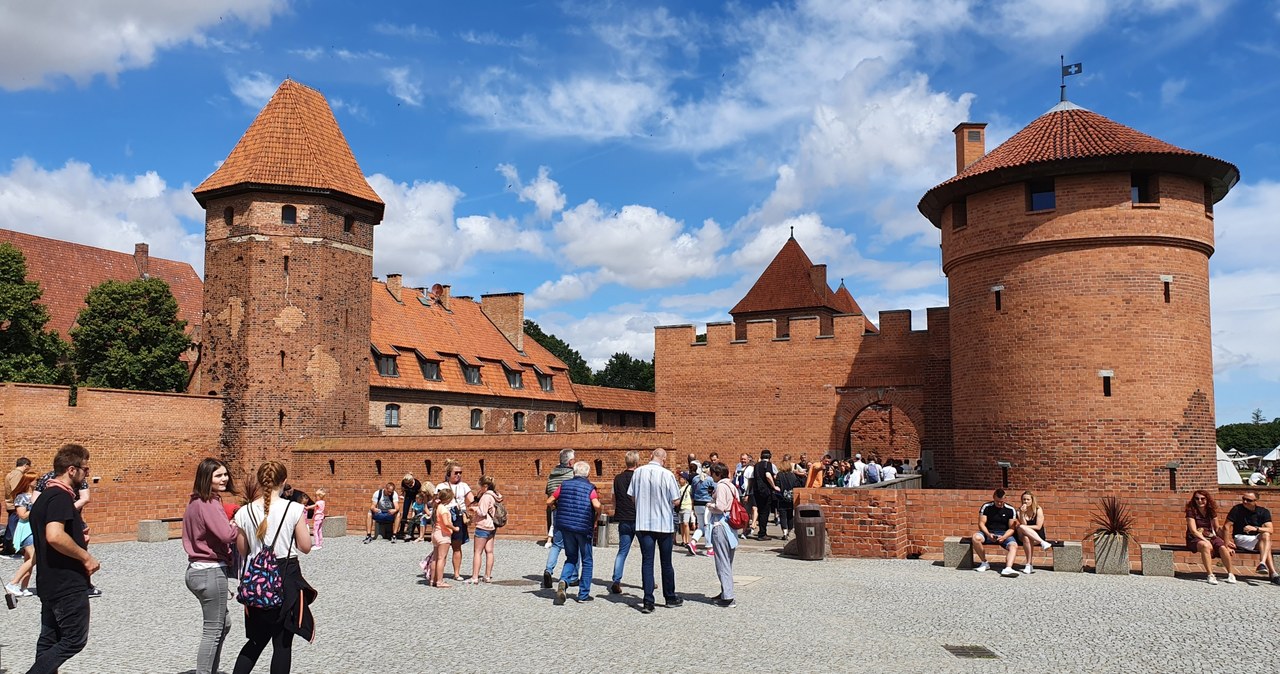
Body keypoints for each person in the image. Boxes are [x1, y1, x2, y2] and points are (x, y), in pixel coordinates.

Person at [232, 460, 315, 674]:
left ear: (260, 481)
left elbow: (242, 550)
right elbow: (305, 547)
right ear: (284, 481)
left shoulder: (244, 512)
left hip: (257, 580)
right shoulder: (294, 509)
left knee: (256, 641)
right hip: (286, 576)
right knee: (282, 644)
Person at [28, 443, 101, 674]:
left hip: (48, 581)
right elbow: (55, 536)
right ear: (72, 469)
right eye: (85, 469)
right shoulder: (60, 497)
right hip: (66, 582)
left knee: (49, 640)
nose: (87, 474)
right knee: (74, 639)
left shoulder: (44, 497)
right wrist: (85, 557)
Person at [182, 458, 240, 674]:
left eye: (225, 474)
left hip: (196, 570)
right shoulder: (209, 503)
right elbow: (227, 535)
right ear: (207, 478)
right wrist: (238, 525)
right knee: (213, 631)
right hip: (210, 571)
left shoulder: (194, 502)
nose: (224, 478)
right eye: (218, 475)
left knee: (223, 624)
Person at [628, 448, 682, 614]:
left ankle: (648, 601)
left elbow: (632, 496)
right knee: (666, 562)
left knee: (647, 561)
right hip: (663, 524)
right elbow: (676, 500)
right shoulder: (667, 475)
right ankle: (670, 597)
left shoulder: (638, 473)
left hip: (644, 522)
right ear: (664, 459)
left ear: (651, 456)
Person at [547, 461, 601, 604]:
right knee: (587, 560)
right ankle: (583, 595)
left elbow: (549, 500)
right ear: (588, 473)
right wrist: (597, 515)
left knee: (571, 557)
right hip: (583, 528)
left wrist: (556, 508)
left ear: (574, 472)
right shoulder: (590, 488)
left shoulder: (564, 485)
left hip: (565, 527)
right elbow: (596, 504)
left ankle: (564, 581)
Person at [1185, 489, 1237, 585]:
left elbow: (1217, 528)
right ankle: (1210, 575)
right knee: (1205, 546)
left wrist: (1226, 542)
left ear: (1207, 499)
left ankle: (1230, 573)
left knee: (1223, 547)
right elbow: (1193, 531)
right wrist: (1205, 540)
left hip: (1209, 535)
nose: (1199, 501)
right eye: (1197, 499)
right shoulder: (1191, 511)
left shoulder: (1211, 511)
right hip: (1195, 537)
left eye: (1202, 499)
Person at [1224, 491, 1277, 584]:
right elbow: (1226, 526)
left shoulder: (1263, 512)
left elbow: (1270, 529)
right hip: (1241, 537)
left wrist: (1255, 528)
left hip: (1256, 538)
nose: (1245, 502)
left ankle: (1263, 564)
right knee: (1266, 544)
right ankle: (1273, 573)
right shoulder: (1237, 509)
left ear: (1255, 501)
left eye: (1248, 500)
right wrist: (1226, 542)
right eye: (1243, 499)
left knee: (1266, 537)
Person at [706, 462, 738, 607]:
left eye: (712, 473)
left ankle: (728, 597)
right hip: (731, 526)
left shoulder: (720, 486)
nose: (711, 475)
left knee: (722, 562)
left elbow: (720, 507)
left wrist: (709, 505)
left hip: (721, 525)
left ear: (717, 474)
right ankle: (725, 591)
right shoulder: (732, 486)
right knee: (728, 561)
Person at [542, 449, 575, 589]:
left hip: (556, 511)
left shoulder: (552, 474)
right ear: (570, 461)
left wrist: (555, 505)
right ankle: (573, 577)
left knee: (556, 544)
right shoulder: (572, 475)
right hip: (570, 512)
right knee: (574, 546)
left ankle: (548, 570)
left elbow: (548, 491)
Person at [436, 460, 473, 581]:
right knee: (442, 546)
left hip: (458, 515)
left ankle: (456, 573)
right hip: (445, 514)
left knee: (457, 546)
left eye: (460, 473)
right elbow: (435, 501)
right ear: (449, 473)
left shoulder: (464, 486)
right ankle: (438, 574)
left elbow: (471, 500)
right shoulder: (441, 486)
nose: (458, 475)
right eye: (456, 472)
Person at [4, 468, 38, 597]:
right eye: (36, 480)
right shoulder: (21, 497)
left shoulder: (36, 495)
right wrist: (36, 508)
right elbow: (22, 515)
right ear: (29, 482)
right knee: (34, 557)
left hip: (34, 529)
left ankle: (24, 587)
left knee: (28, 559)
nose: (38, 482)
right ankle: (13, 583)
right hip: (26, 530)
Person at [610, 451, 639, 594]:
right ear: (637, 463)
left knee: (622, 551)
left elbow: (613, 498)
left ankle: (616, 580)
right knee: (647, 553)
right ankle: (649, 581)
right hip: (639, 518)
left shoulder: (617, 478)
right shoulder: (639, 477)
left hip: (623, 517)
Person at [973, 488, 1020, 577]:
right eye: (997, 501)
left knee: (1013, 545)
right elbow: (981, 524)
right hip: (988, 532)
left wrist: (1004, 537)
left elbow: (1012, 528)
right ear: (994, 497)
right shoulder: (986, 507)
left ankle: (1008, 568)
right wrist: (988, 535)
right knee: (976, 538)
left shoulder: (1010, 509)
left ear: (1005, 499)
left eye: (1001, 501)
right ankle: (984, 562)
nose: (999, 503)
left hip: (1004, 533)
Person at [468, 476, 502, 584]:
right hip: (492, 526)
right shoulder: (495, 496)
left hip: (483, 526)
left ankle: (474, 577)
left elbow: (482, 512)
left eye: (481, 486)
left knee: (477, 552)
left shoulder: (486, 497)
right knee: (490, 551)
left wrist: (474, 508)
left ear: (485, 486)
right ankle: (487, 576)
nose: (480, 488)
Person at [1014, 491, 1053, 574]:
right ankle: (1042, 543)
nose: (1026, 501)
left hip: (1037, 535)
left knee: (1025, 535)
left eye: (1028, 499)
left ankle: (1029, 565)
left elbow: (1038, 526)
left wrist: (1023, 527)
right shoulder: (1019, 511)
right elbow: (1024, 523)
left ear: (1032, 500)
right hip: (1023, 536)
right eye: (1024, 499)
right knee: (1023, 531)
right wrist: (1022, 513)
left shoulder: (1038, 509)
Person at [4, 457, 32, 556]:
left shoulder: (11, 473)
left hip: (12, 504)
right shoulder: (17, 474)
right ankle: (14, 548)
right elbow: (17, 490)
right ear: (25, 465)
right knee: (15, 527)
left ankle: (8, 547)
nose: (28, 469)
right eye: (28, 467)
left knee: (11, 526)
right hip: (16, 505)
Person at [430, 487, 457, 588]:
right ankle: (440, 581)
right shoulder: (444, 509)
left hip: (435, 533)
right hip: (443, 535)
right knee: (441, 558)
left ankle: (433, 579)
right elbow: (446, 523)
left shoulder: (437, 507)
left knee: (435, 558)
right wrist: (455, 528)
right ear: (448, 499)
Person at [752, 450, 780, 540]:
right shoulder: (768, 465)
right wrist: (774, 486)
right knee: (765, 512)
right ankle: (762, 534)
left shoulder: (756, 465)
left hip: (756, 491)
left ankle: (761, 531)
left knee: (760, 511)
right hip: (765, 491)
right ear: (769, 457)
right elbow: (768, 475)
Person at [775, 459, 802, 540]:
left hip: (782, 497)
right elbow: (797, 485)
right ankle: (790, 531)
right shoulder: (793, 475)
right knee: (790, 515)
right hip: (791, 497)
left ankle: (785, 532)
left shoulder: (779, 475)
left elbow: (777, 485)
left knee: (783, 515)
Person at [398, 473, 423, 540]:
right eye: (407, 484)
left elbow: (420, 493)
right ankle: (401, 530)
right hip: (408, 497)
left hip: (415, 497)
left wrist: (419, 501)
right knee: (405, 512)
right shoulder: (404, 482)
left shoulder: (417, 484)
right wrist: (402, 494)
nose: (408, 485)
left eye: (409, 484)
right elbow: (403, 489)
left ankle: (418, 532)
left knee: (416, 513)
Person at [676, 471, 696, 553]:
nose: (680, 480)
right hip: (680, 507)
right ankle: (683, 540)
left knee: (685, 523)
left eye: (681, 478)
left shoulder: (689, 487)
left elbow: (692, 497)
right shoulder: (678, 488)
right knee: (681, 524)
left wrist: (692, 507)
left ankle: (687, 540)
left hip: (687, 507)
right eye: (679, 478)